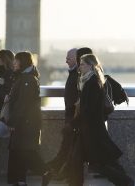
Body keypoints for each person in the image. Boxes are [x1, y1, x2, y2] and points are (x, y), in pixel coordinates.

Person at [68, 54, 134, 186]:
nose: (79, 67)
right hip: (88, 129)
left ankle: (125, 182)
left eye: (82, 64)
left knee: (98, 164)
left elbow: (88, 110)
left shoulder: (91, 83)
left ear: (91, 66)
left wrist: (73, 123)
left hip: (91, 130)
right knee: (78, 160)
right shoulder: (89, 81)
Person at [7, 51, 51, 186]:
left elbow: (23, 103)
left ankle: (46, 172)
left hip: (26, 123)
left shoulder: (28, 79)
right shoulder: (24, 77)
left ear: (23, 62)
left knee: (26, 152)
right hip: (25, 122)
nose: (13, 63)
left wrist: (13, 121)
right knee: (19, 152)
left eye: (16, 60)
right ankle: (20, 180)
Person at [46, 48, 79, 178]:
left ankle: (58, 170)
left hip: (73, 117)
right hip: (71, 116)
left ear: (76, 59)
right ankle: (61, 171)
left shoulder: (77, 74)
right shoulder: (74, 73)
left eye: (68, 58)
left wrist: (72, 119)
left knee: (68, 146)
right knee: (68, 146)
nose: (66, 60)